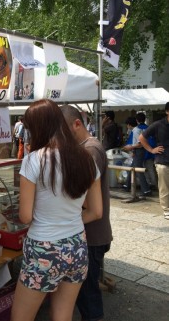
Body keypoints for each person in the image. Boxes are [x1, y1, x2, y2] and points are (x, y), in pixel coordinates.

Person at [11, 100, 102, 321]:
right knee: (63, 315)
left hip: (44, 248)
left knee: (21, 317)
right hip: (77, 247)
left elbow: (25, 215)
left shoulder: (33, 160)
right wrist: (67, 219)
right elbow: (96, 211)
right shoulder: (86, 158)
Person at [61, 105, 113, 321]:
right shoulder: (82, 149)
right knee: (84, 288)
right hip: (86, 231)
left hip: (91, 233)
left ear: (77, 124)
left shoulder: (91, 150)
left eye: (65, 131)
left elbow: (83, 197)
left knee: (87, 291)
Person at [139, 102, 169, 220]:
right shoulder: (158, 125)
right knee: (164, 187)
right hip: (162, 161)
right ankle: (166, 209)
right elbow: (141, 138)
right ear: (167, 111)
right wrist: (151, 150)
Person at [122, 116, 151, 196]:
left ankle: (146, 190)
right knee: (132, 168)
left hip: (140, 151)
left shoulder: (136, 131)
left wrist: (130, 147)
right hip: (138, 151)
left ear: (129, 125)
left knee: (137, 170)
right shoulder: (138, 129)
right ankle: (127, 185)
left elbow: (139, 144)